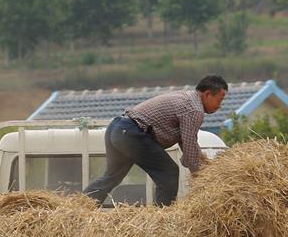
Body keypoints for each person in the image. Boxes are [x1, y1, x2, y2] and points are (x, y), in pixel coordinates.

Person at [83, 75, 228, 207]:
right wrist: (201, 179)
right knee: (168, 172)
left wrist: (200, 162)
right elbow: (189, 147)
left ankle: (79, 207)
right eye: (220, 100)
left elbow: (187, 142)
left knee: (111, 177)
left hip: (117, 128)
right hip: (133, 133)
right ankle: (162, 220)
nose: (220, 105)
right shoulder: (194, 110)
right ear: (208, 94)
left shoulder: (187, 99)